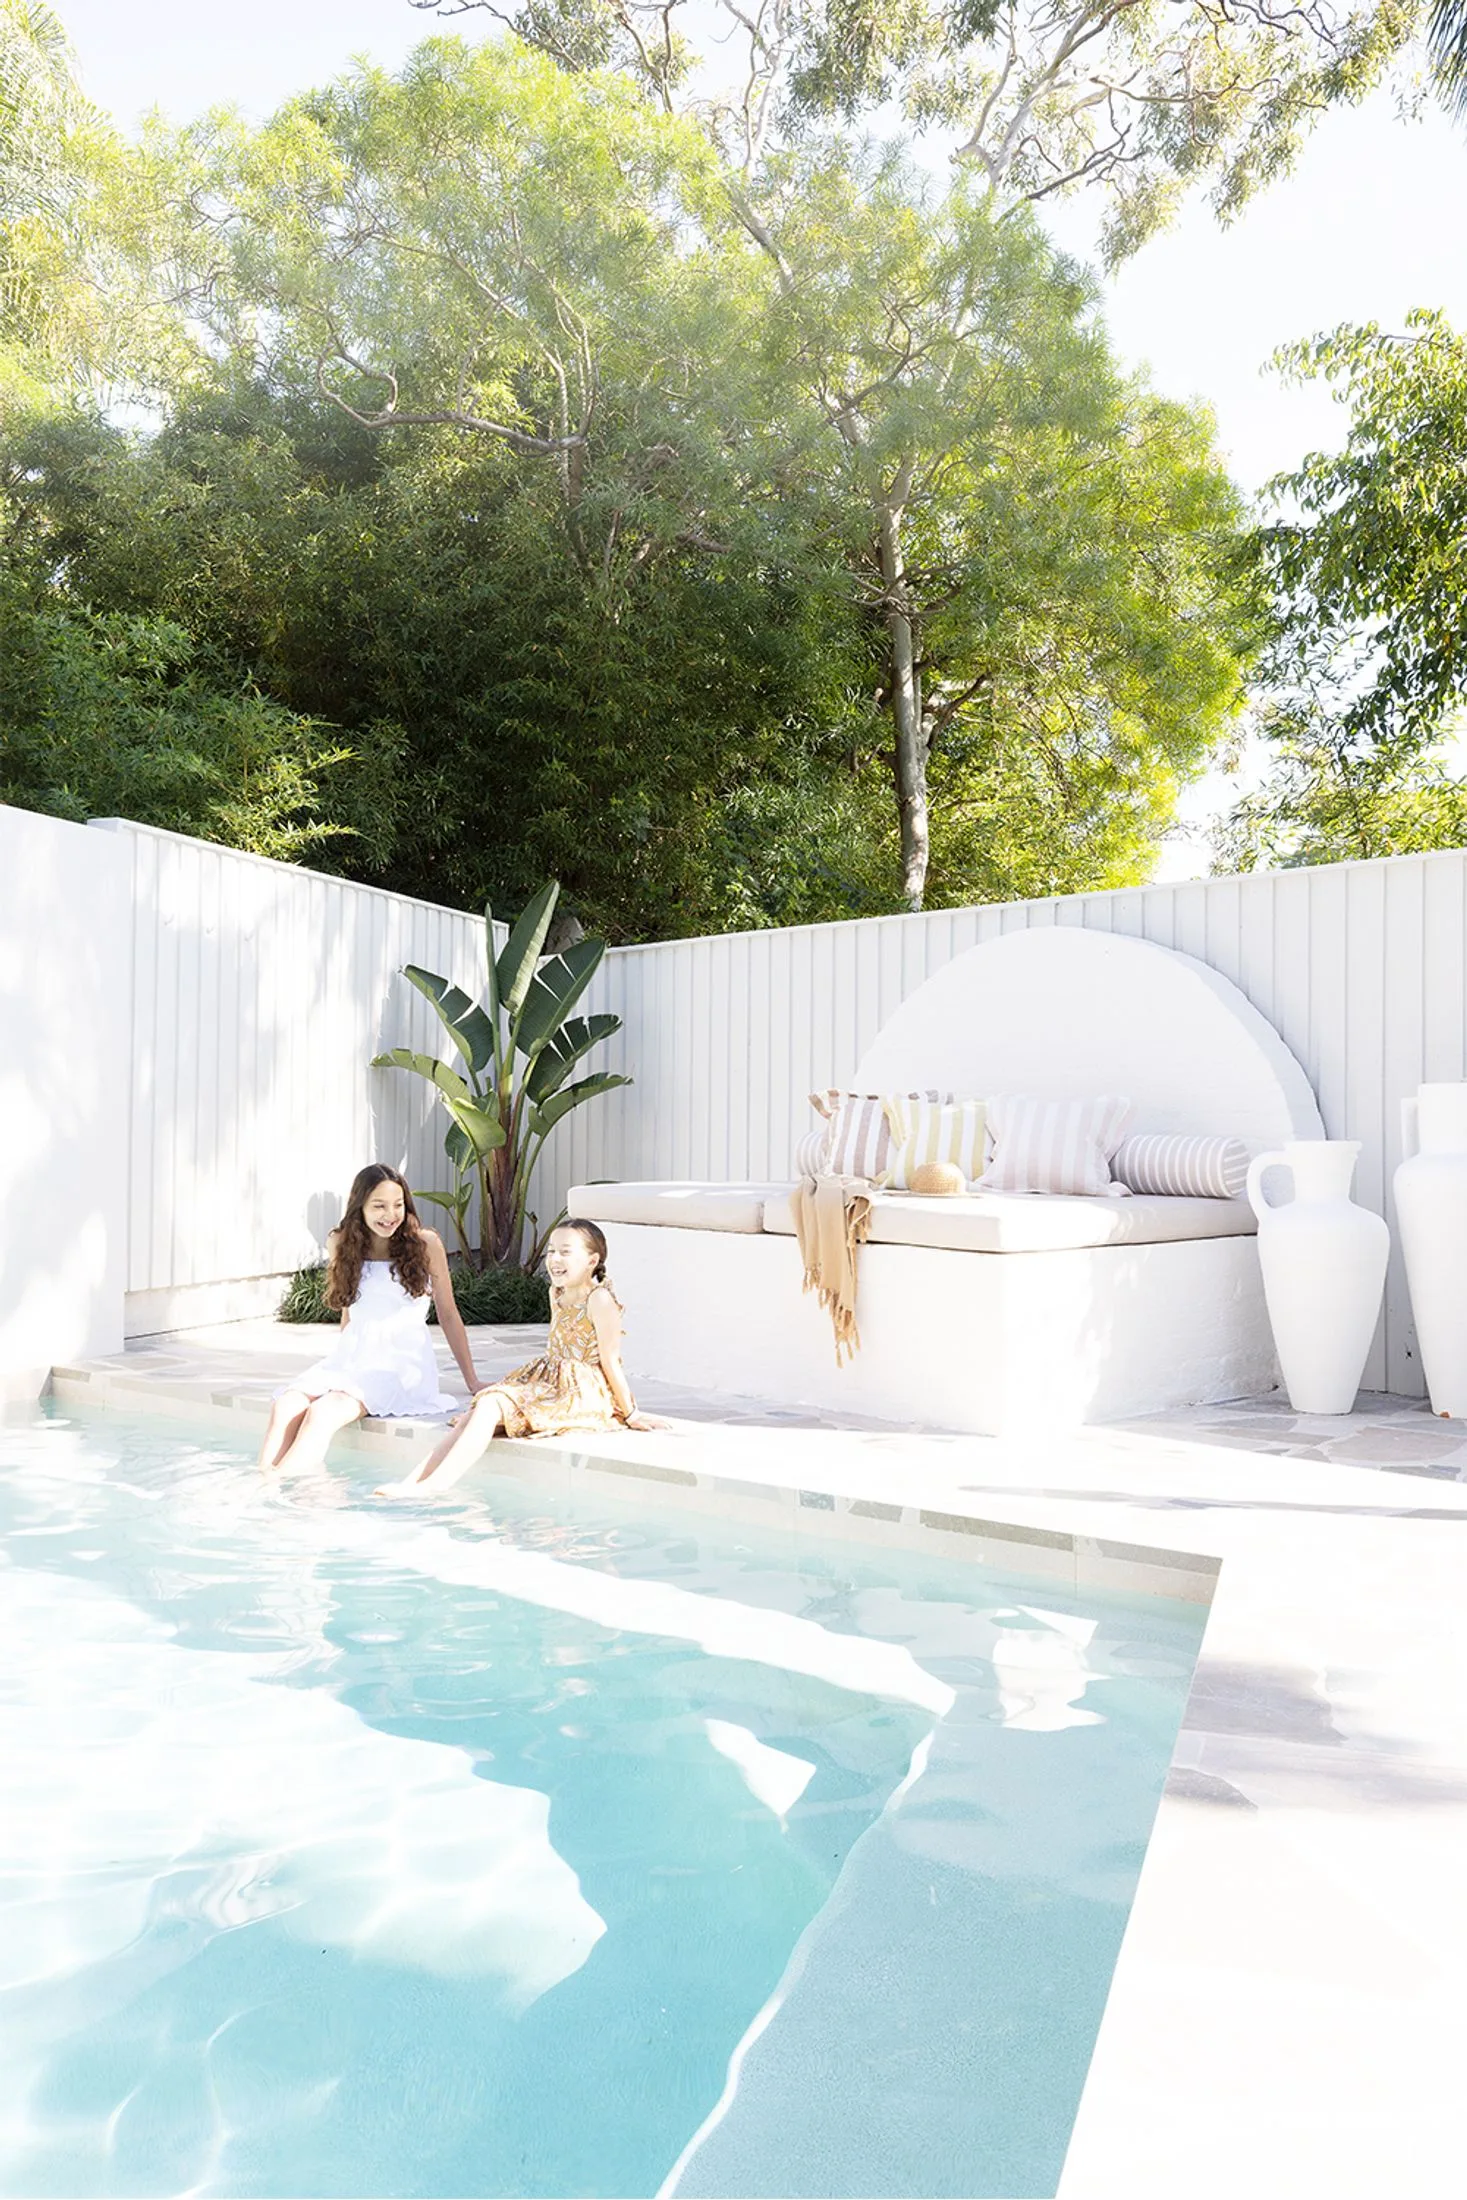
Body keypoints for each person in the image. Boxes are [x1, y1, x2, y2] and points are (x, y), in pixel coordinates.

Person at [380, 1218, 662, 1496]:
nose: (554, 1258)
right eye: (552, 1251)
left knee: (491, 1406)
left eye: (566, 1252)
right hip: (551, 1377)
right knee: (480, 1411)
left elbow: (610, 1361)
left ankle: (436, 1485)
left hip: (582, 1389)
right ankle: (415, 1480)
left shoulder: (599, 1300)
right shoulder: (556, 1292)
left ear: (592, 1260)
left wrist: (631, 1413)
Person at [257, 1163, 481, 1475]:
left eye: (398, 1205)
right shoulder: (341, 1243)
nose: (390, 1215)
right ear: (359, 1206)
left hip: (402, 1366)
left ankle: (283, 1494)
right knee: (286, 1405)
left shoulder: (425, 1243)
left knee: (323, 1412)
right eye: (379, 1206)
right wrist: (341, 1366)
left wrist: (471, 1380)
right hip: (354, 1359)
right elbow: (349, 1310)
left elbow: (448, 1312)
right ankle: (266, 1485)